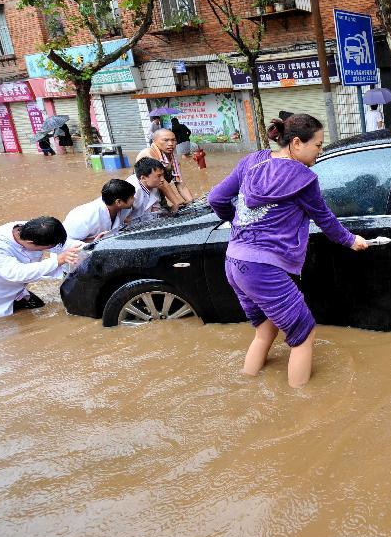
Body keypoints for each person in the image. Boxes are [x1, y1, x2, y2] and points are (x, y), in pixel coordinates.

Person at [208, 113, 369, 388]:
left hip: (234, 261)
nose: (320, 152)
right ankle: (299, 405)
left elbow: (216, 198)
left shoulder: (252, 161)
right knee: (303, 333)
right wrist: (351, 240)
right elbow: (325, 218)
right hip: (262, 268)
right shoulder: (303, 178)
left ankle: (247, 386)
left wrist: (238, 220)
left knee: (265, 330)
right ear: (296, 143)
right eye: (318, 145)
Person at [63, 178, 136, 243]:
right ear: (118, 202)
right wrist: (95, 241)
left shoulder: (122, 208)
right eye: (132, 197)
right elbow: (65, 243)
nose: (134, 199)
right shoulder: (85, 217)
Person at [136, 129, 194, 208]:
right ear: (154, 141)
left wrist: (192, 203)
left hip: (158, 196)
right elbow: (162, 182)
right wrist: (177, 203)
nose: (170, 144)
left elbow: (180, 183)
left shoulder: (173, 159)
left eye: (173, 140)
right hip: (142, 198)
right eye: (165, 140)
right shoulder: (148, 154)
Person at [124, 157, 167, 223]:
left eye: (163, 175)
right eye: (159, 176)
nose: (162, 179)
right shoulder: (132, 190)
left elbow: (155, 207)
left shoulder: (153, 185)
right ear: (143, 178)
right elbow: (124, 218)